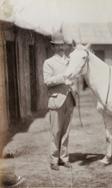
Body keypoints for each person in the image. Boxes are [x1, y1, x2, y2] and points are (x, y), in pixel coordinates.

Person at [43, 32, 76, 171]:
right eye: (57, 45)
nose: (60, 48)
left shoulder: (69, 61)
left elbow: (74, 76)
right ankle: (54, 160)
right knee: (55, 131)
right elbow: (47, 81)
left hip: (69, 99)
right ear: (53, 47)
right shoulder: (48, 62)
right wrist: (63, 77)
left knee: (66, 131)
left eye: (62, 45)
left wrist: (74, 86)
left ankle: (64, 158)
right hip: (57, 100)